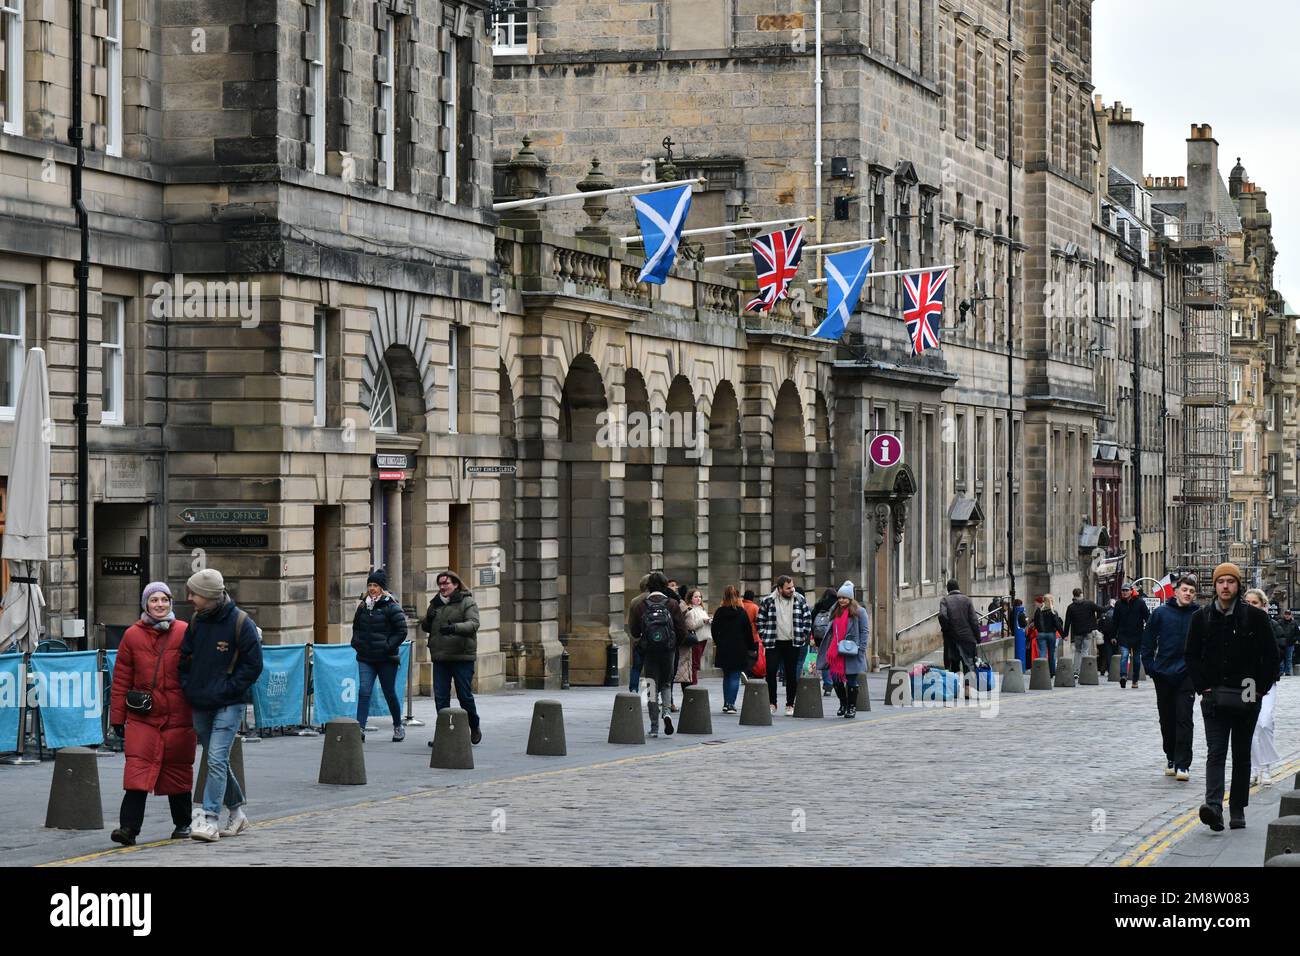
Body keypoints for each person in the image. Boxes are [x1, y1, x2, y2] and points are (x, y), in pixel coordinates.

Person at [1185, 564, 1278, 832]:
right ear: (1214, 586)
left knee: (1240, 752)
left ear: (1238, 585)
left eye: (1230, 582)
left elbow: (1270, 657)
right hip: (1214, 694)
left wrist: (1258, 689)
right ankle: (1213, 805)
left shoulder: (1254, 618)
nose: (1225, 586)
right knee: (1216, 752)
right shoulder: (1201, 618)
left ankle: (1237, 807)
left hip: (1247, 692)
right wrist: (1203, 687)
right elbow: (1191, 655)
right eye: (1220, 582)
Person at [108, 582, 198, 846]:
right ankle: (128, 829)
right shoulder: (132, 635)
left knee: (178, 770)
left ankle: (183, 823)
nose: (159, 605)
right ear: (145, 604)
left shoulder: (184, 631)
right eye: (154, 600)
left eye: (164, 600)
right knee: (137, 771)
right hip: (143, 715)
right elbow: (122, 678)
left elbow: (197, 670)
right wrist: (117, 717)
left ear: (171, 603)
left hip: (178, 714)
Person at [179, 568, 263, 843]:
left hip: (229, 702)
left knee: (215, 758)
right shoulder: (196, 621)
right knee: (217, 760)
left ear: (209, 596)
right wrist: (187, 683)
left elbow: (254, 665)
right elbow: (185, 656)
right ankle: (237, 812)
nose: (189, 597)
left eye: (194, 593)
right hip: (200, 699)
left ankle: (210, 819)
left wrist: (230, 688)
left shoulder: (241, 622)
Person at [1141, 574, 1200, 782]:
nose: (1188, 594)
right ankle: (1171, 757)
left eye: (1192, 592)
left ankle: (1183, 764)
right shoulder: (1161, 613)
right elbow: (1147, 642)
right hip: (1164, 673)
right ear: (1176, 591)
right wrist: (1150, 668)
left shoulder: (1198, 615)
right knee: (1167, 719)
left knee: (1184, 718)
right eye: (1185, 590)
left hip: (1187, 674)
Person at [421, 570, 483, 746]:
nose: (442, 587)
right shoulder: (435, 603)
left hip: (462, 656)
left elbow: (474, 624)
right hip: (441, 657)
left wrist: (454, 628)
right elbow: (426, 626)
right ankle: (444, 733)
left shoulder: (467, 601)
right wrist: (428, 619)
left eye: (446, 583)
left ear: (455, 584)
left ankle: (474, 725)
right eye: (440, 583)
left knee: (464, 696)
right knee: (441, 698)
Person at [351, 569, 408, 741]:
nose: (372, 588)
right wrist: (356, 643)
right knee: (364, 691)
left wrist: (387, 646)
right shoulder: (363, 606)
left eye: (375, 585)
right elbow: (356, 628)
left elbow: (402, 630)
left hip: (386, 658)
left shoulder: (391, 606)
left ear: (382, 588)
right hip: (366, 657)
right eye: (369, 585)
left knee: (389, 692)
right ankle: (359, 727)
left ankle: (398, 725)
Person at [628, 572, 688, 736]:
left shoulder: (641, 605)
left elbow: (634, 630)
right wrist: (674, 644)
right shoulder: (672, 604)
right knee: (666, 683)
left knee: (651, 686)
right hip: (668, 650)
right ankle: (667, 713)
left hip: (649, 651)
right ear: (664, 586)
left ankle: (654, 727)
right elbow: (682, 630)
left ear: (648, 586)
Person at [757, 575, 813, 715]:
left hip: (792, 642)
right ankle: (772, 703)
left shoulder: (799, 599)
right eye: (788, 588)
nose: (791, 590)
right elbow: (760, 620)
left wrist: (803, 634)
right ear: (779, 588)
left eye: (792, 587)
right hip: (773, 642)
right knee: (770, 672)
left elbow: (807, 618)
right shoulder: (768, 601)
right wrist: (764, 635)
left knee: (791, 674)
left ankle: (790, 704)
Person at [1243, 588, 1281, 788]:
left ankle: (1266, 767)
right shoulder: (1238, 626)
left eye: (1255, 603)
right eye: (1247, 603)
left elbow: (1279, 651)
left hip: (1266, 681)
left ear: (1263, 605)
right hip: (1248, 682)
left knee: (1265, 722)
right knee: (1251, 725)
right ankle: (1255, 768)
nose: (1250, 607)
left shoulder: (1271, 626)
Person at [816, 582, 869, 717]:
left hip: (851, 651)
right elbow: (830, 630)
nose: (841, 600)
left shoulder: (859, 612)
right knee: (836, 680)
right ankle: (843, 704)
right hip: (836, 652)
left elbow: (864, 631)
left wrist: (861, 650)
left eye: (844, 598)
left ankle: (851, 708)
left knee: (851, 680)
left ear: (850, 598)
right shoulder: (835, 611)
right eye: (839, 598)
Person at [711, 586, 755, 714]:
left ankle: (726, 703)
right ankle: (731, 704)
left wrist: (719, 642)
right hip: (739, 648)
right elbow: (748, 632)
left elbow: (714, 630)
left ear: (724, 596)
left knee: (727, 676)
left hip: (724, 648)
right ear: (737, 597)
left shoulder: (719, 612)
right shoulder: (741, 613)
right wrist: (751, 647)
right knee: (735, 676)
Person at [938, 579, 981, 690]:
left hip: (952, 639)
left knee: (954, 664)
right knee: (968, 665)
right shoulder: (967, 600)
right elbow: (974, 621)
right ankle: (967, 690)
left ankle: (955, 689)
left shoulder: (945, 601)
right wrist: (978, 637)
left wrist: (946, 629)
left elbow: (942, 616)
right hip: (968, 638)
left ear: (948, 589)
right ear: (958, 587)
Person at [1113, 582, 1150, 688]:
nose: (1124, 592)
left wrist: (1149, 632)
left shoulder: (1140, 602)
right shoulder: (1119, 604)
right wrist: (1113, 636)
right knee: (1124, 655)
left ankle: (1135, 680)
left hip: (1138, 635)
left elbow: (1147, 618)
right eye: (1123, 591)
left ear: (1131, 591)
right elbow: (1115, 621)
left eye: (1126, 590)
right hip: (1124, 635)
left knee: (1137, 659)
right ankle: (1123, 676)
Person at [677, 588, 711, 697]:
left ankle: (693, 684)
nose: (698, 599)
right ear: (690, 598)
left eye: (700, 597)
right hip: (696, 639)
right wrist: (703, 621)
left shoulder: (702, 609)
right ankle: (693, 685)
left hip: (703, 638)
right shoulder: (690, 610)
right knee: (694, 664)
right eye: (695, 597)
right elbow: (692, 626)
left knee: (696, 663)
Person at [1064, 587, 1104, 680]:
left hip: (1077, 633)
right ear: (1081, 594)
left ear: (1073, 595)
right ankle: (1083, 670)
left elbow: (1067, 622)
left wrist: (1064, 634)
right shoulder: (1089, 604)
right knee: (1085, 651)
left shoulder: (1071, 607)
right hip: (1088, 632)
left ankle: (1076, 672)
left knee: (1077, 651)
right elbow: (1101, 609)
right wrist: (1110, 605)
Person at [625, 574, 652, 693]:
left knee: (636, 667)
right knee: (651, 669)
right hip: (656, 639)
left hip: (639, 639)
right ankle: (652, 695)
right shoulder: (660, 598)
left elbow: (631, 622)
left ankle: (633, 691)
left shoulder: (635, 601)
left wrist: (635, 637)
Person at [810, 588, 839, 695]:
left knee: (824, 659)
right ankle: (834, 681)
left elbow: (812, 621)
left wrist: (814, 636)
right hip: (832, 636)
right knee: (833, 660)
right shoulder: (837, 606)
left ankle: (827, 684)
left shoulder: (818, 605)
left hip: (819, 637)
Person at [1031, 595, 1062, 679]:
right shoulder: (1053, 611)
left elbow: (1036, 623)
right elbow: (1057, 624)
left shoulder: (1038, 611)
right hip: (1051, 634)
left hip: (1041, 634)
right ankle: (1052, 672)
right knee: (1051, 654)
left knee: (1042, 653)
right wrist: (1063, 634)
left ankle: (1042, 671)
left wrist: (1040, 630)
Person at [741, 589, 762, 673]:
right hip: (753, 636)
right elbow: (759, 622)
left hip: (741, 636)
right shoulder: (755, 607)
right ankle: (746, 672)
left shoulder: (740, 605)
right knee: (753, 656)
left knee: (743, 655)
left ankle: (743, 671)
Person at [1098, 598, 1118, 676]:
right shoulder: (1117, 613)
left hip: (1106, 636)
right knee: (1116, 653)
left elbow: (1099, 626)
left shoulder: (1104, 614)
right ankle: (1116, 669)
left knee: (1107, 653)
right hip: (1116, 636)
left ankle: (1109, 670)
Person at [1275, 608, 1298, 679]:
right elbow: (1276, 631)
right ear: (1284, 615)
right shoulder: (1279, 622)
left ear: (1291, 615)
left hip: (1290, 643)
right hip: (1281, 643)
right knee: (1281, 658)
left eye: (1289, 614)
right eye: (1286, 614)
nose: (1287, 616)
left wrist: (1295, 639)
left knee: (1289, 658)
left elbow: (1297, 633)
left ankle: (1288, 672)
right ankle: (1281, 672)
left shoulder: (1294, 623)